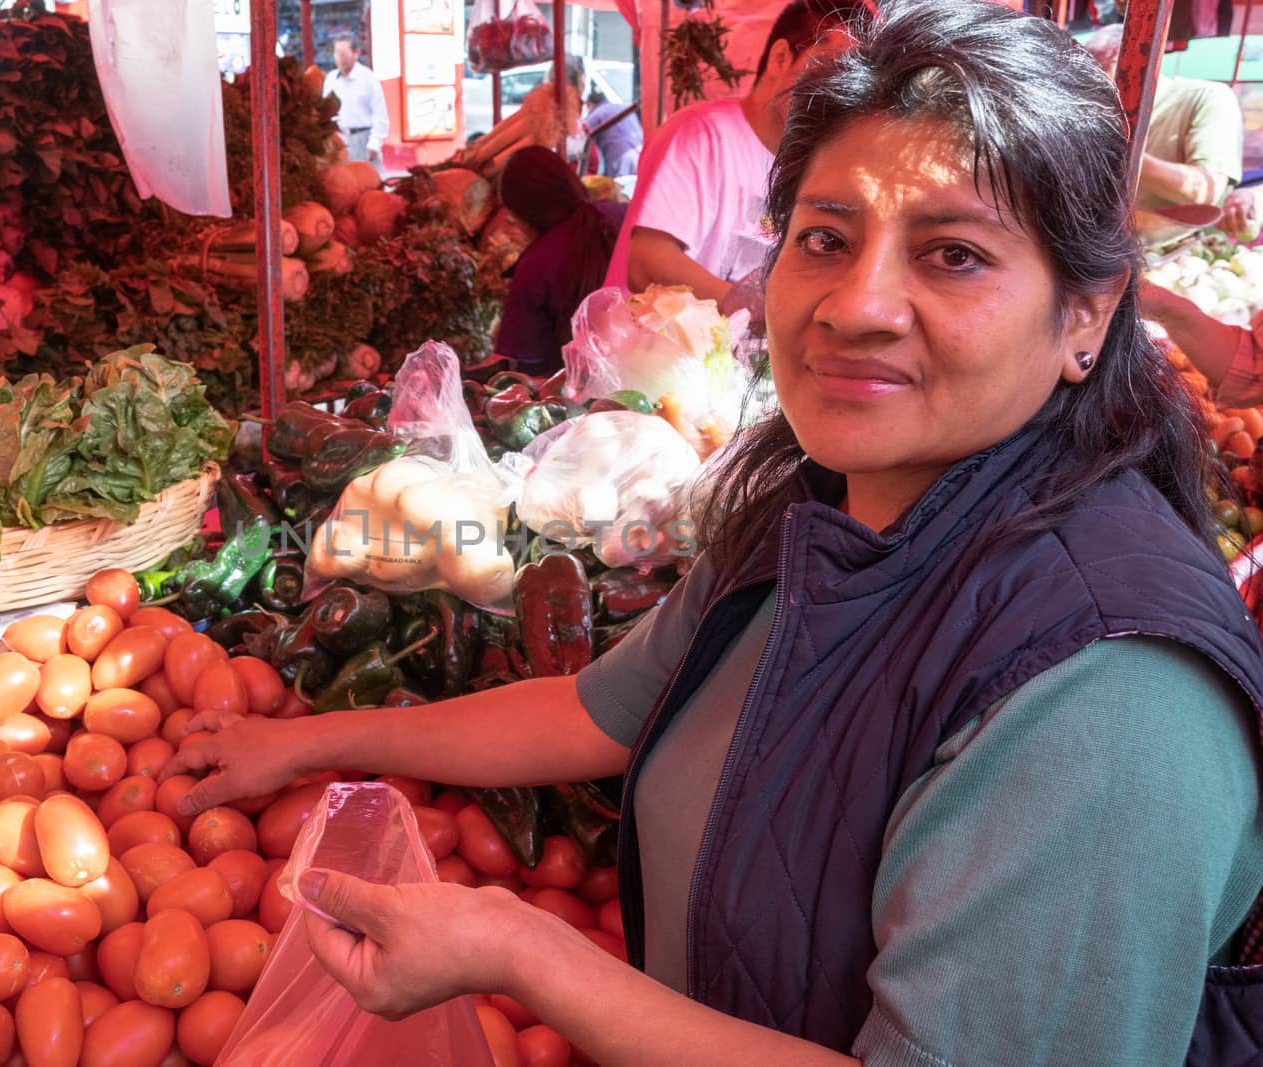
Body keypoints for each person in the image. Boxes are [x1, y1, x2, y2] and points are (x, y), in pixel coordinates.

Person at [164, 2, 1263, 1063]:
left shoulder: (1108, 692)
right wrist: (310, 740)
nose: (854, 305)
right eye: (825, 238)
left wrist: (524, 948)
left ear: (1086, 311)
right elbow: (592, 711)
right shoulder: (814, 509)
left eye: (953, 255)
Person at [604, 0, 875, 317]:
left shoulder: (808, 164)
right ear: (780, 58)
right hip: (642, 357)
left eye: (851, 81)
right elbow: (647, 262)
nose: (837, 93)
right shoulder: (702, 135)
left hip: (722, 363)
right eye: (829, 67)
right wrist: (745, 305)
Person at [1083, 23, 1244, 246]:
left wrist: (1121, 152)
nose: (1095, 89)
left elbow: (1204, 192)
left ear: (1137, 66)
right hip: (1111, 247)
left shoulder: (1208, 98)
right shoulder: (1100, 110)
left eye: (1102, 75)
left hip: (1186, 251)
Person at [492, 146, 626, 375]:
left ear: (524, 215)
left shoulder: (535, 264)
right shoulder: (626, 216)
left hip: (576, 399)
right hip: (661, 383)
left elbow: (522, 367)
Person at [323, 34, 388, 167]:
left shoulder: (368, 78)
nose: (340, 57)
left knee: (368, 184)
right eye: (337, 53)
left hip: (363, 139)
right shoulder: (330, 79)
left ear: (356, 53)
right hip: (338, 141)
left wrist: (374, 144)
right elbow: (325, 112)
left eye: (344, 53)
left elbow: (380, 115)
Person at [585, 88, 643, 178]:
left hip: (621, 160)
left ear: (590, 104)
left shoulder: (595, 115)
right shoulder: (623, 107)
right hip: (640, 154)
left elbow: (584, 141)